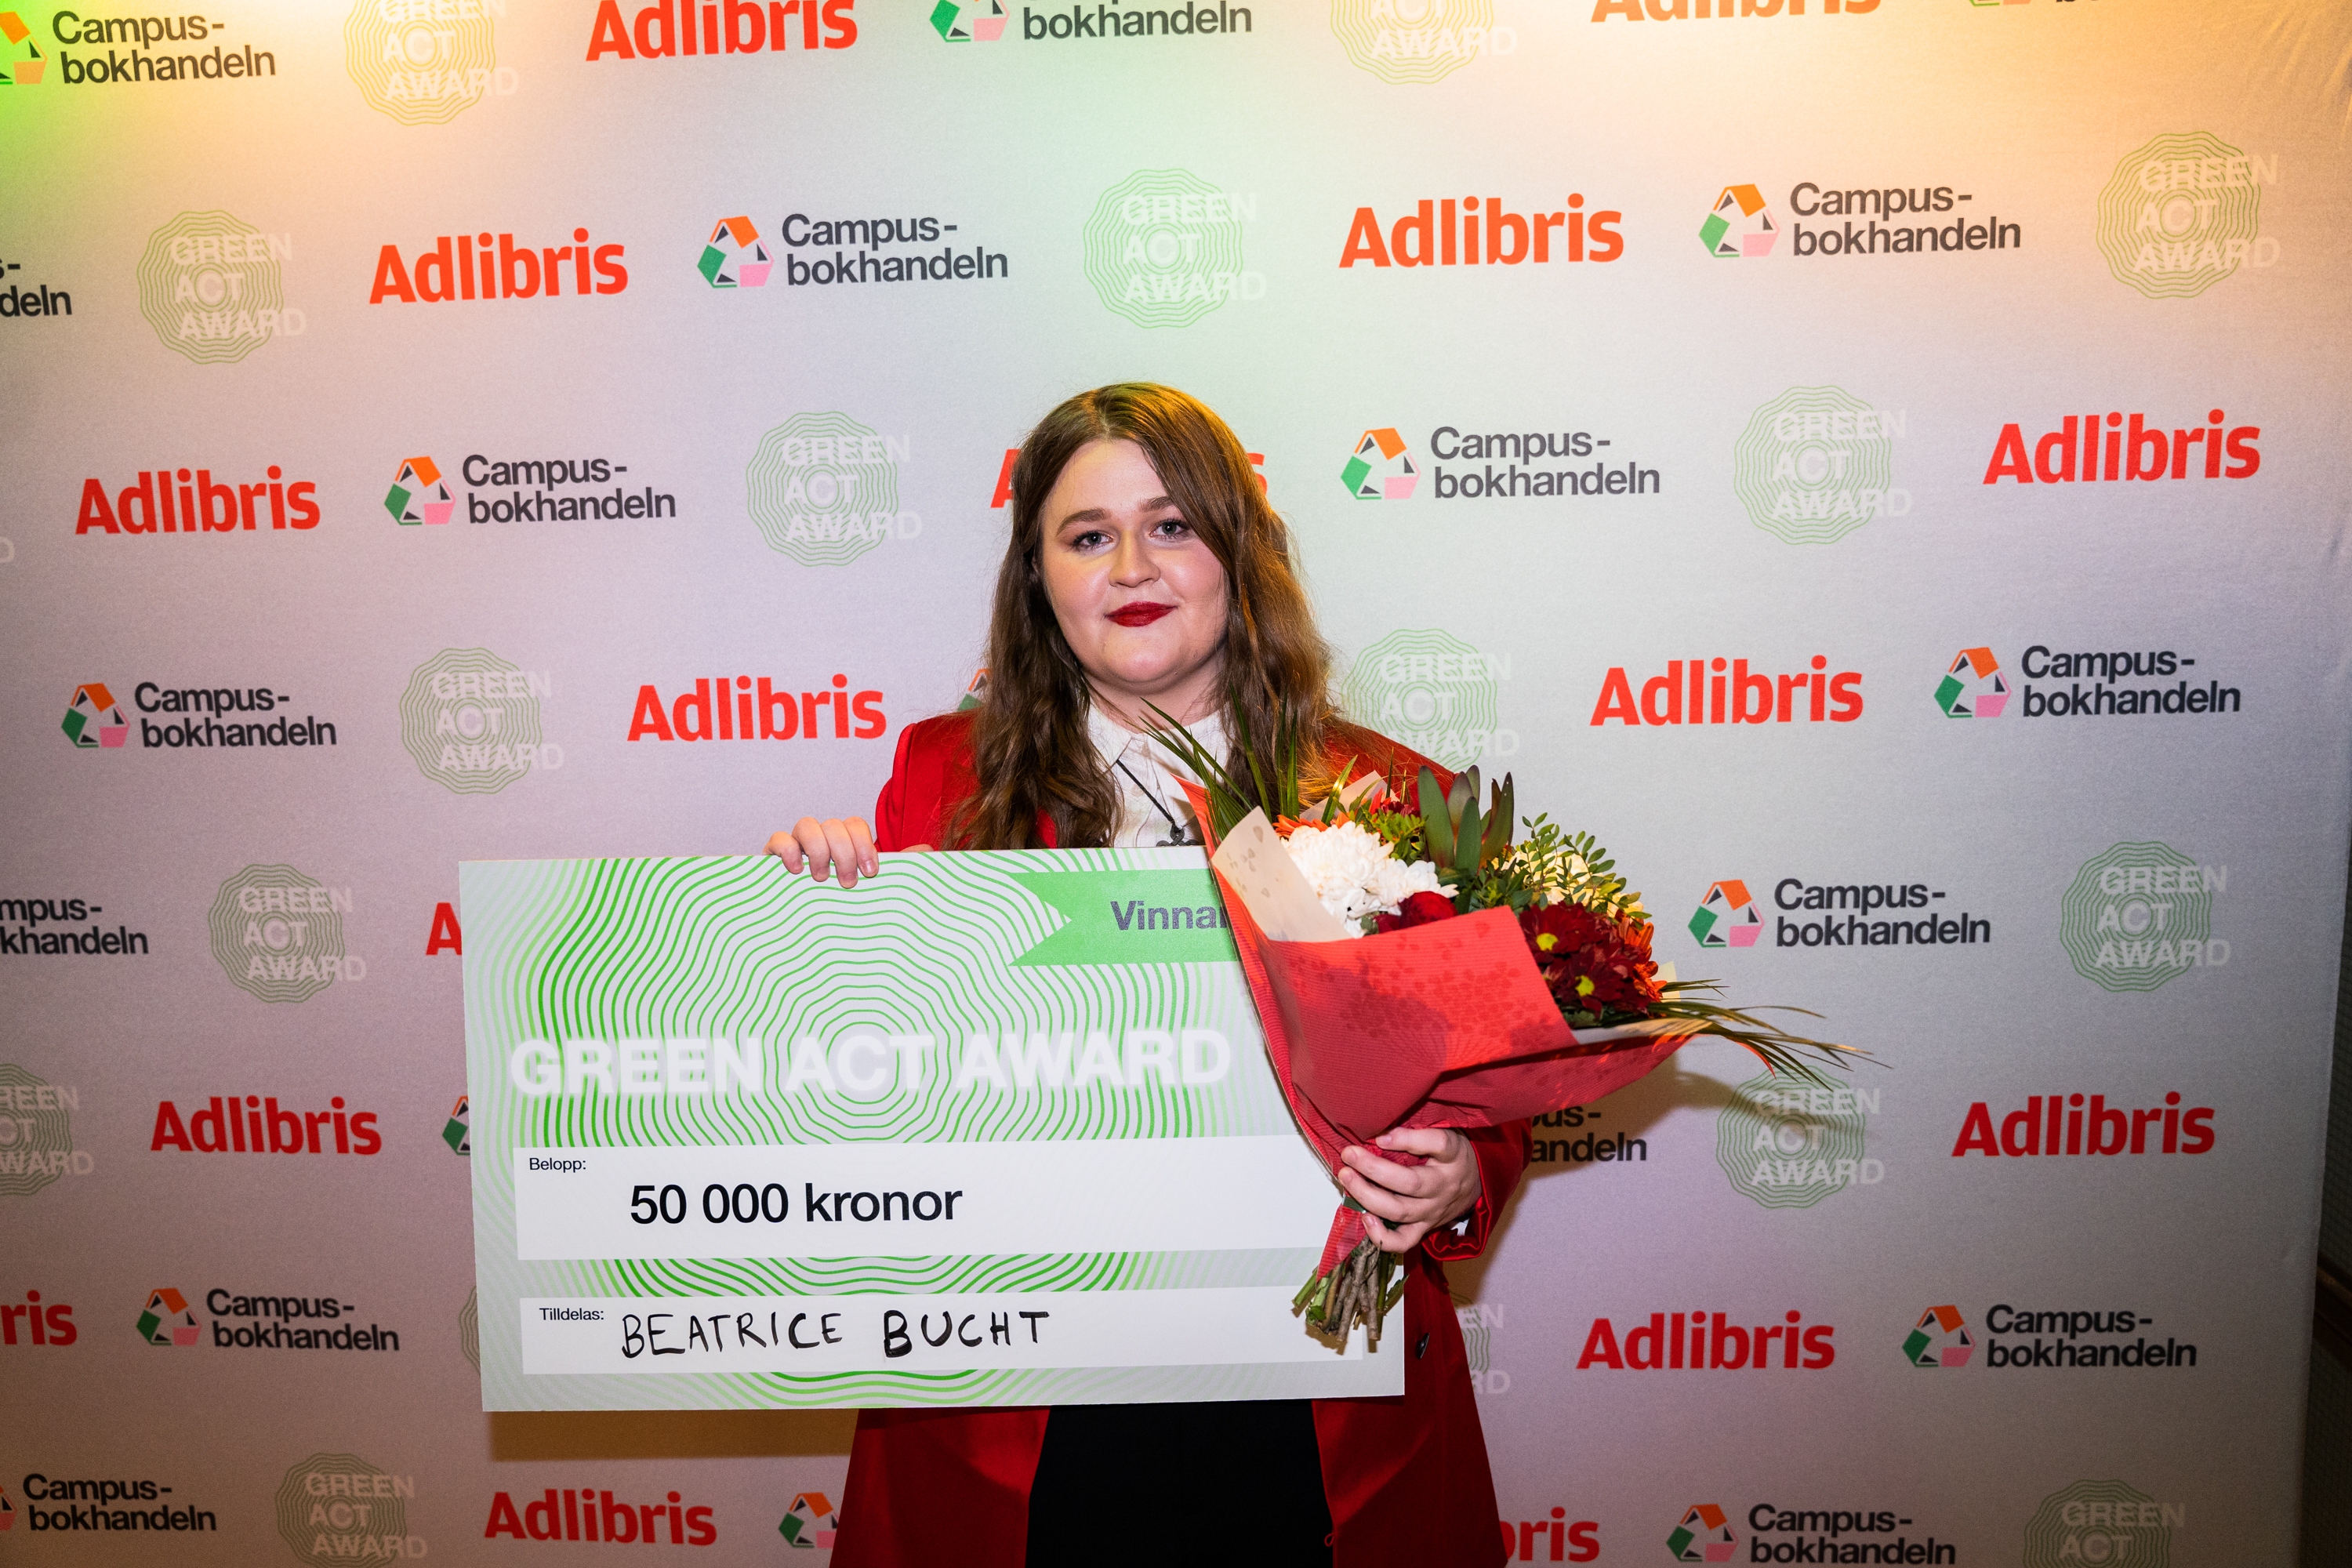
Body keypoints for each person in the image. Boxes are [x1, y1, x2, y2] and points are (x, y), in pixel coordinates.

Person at [764, 383, 1527, 1568]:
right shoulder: (939, 780)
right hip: (1026, 1407)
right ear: (1038, 579)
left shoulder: (1388, 790)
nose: (1131, 566)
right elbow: (862, 1079)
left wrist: (1461, 1174)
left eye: (1171, 526)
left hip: (1310, 1399)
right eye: (1087, 536)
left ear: (1241, 551)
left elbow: (1492, 1088)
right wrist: (811, 920)